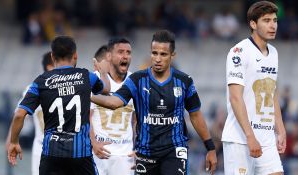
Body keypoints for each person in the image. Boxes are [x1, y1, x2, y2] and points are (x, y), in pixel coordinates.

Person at [91, 30, 217, 175]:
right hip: (146, 152)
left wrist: (210, 147)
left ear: (172, 55)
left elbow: (195, 115)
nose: (157, 59)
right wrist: (87, 96)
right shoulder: (137, 80)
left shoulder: (184, 81)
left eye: (163, 54)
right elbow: (114, 102)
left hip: (175, 149)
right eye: (154, 53)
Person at [7, 36, 110, 175]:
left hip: (51, 155)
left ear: (52, 55)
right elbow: (106, 89)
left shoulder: (40, 81)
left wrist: (14, 142)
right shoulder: (86, 76)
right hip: (80, 155)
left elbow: (19, 115)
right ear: (75, 55)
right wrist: (103, 71)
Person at [221, 1, 286, 174]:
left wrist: (280, 128)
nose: (273, 25)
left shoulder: (274, 53)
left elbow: (271, 92)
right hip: (240, 138)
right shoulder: (239, 52)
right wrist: (250, 136)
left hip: (266, 137)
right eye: (266, 20)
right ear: (253, 24)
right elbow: (235, 97)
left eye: (274, 20)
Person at [90, 38, 136, 175]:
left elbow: (136, 120)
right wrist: (93, 143)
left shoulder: (135, 81)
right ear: (109, 56)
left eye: (128, 52)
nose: (125, 56)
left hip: (125, 154)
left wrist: (138, 147)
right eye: (120, 52)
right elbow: (85, 116)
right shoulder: (95, 78)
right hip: (98, 152)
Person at [6, 52, 54, 175]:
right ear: (50, 66)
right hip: (42, 147)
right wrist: (11, 140)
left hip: (65, 147)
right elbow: (19, 115)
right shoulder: (33, 89)